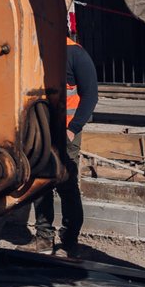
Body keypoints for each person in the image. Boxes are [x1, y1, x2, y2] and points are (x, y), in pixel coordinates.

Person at [32, 29, 97, 256]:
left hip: (66, 132)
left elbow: (90, 96)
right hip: (41, 132)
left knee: (67, 184)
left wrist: (73, 129)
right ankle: (44, 238)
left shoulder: (76, 55)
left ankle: (69, 240)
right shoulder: (37, 54)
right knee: (40, 183)